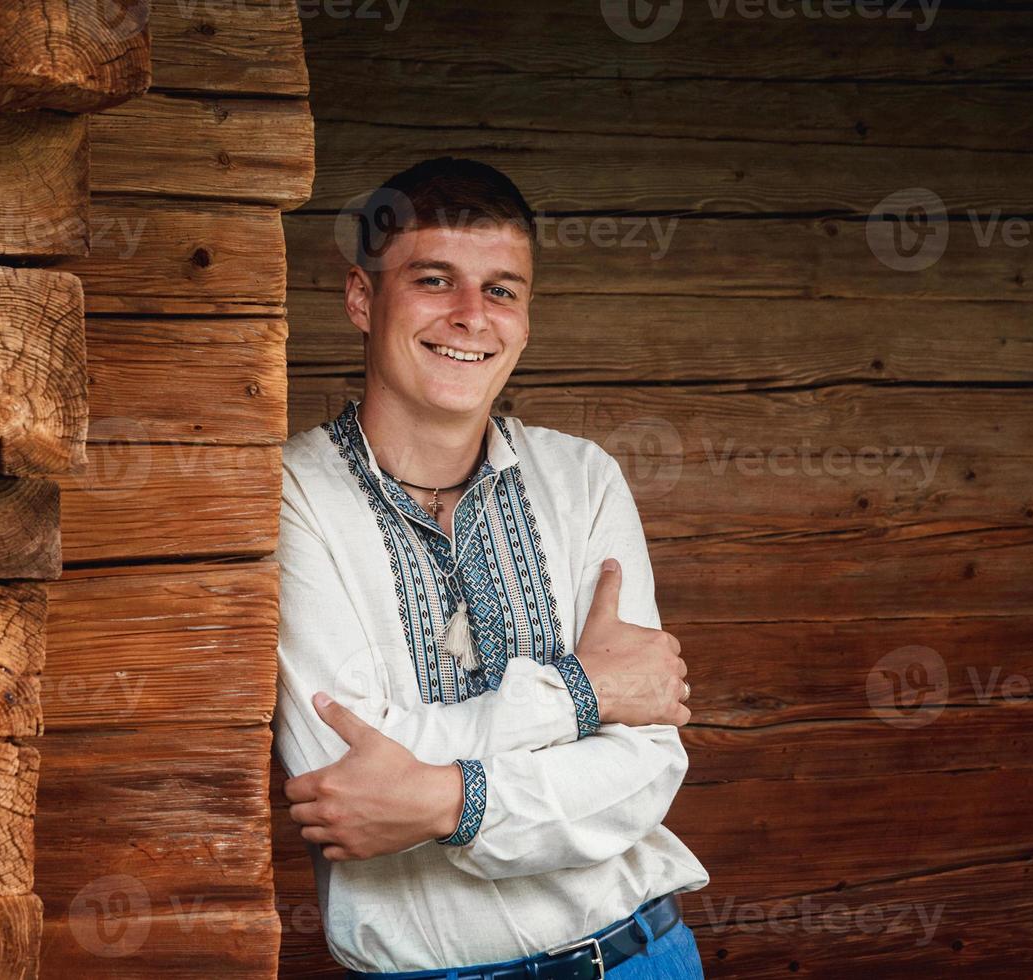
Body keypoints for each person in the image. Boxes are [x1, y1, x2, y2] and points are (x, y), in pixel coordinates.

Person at [272, 157, 710, 980]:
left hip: (642, 955)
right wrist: (581, 694)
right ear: (363, 299)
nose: (472, 317)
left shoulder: (584, 480)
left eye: (502, 290)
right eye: (435, 280)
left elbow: (646, 767)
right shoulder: (291, 496)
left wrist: (445, 801)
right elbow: (344, 782)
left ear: (527, 315)